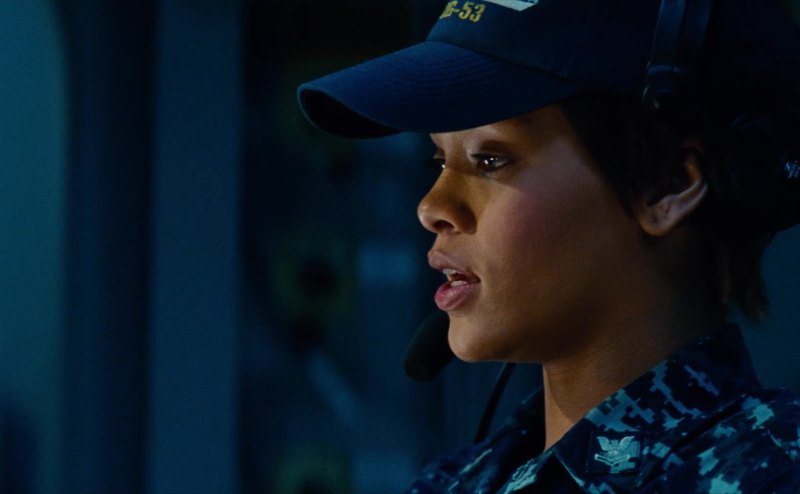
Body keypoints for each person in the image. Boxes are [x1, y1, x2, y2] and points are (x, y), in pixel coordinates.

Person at [296, 0, 800, 491]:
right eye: (439, 161)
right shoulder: (451, 482)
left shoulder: (772, 473)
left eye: (490, 160)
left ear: (667, 186)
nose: (431, 207)